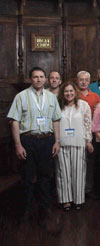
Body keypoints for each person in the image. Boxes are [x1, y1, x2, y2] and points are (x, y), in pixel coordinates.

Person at [7, 66, 62, 229]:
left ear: (45, 79)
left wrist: (57, 141)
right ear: (31, 79)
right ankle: (26, 212)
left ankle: (45, 211)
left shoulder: (51, 98)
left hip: (46, 140)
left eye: (41, 77)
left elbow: (56, 120)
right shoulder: (21, 96)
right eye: (35, 77)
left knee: (45, 177)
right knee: (28, 178)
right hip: (28, 141)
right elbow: (15, 121)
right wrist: (18, 145)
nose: (39, 79)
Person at [56, 82, 93, 211]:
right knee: (63, 172)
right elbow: (53, 123)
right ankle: (66, 200)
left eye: (71, 91)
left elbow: (88, 123)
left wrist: (88, 141)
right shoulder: (57, 105)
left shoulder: (83, 105)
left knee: (78, 172)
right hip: (62, 143)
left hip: (79, 142)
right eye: (66, 91)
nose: (69, 94)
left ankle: (78, 200)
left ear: (75, 92)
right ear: (62, 93)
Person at [77, 70, 100, 197]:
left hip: (91, 133)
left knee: (91, 162)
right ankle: (78, 188)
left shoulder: (95, 96)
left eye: (86, 80)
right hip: (75, 132)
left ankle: (89, 189)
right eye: (81, 79)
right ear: (77, 81)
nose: (84, 82)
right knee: (78, 161)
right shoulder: (73, 94)